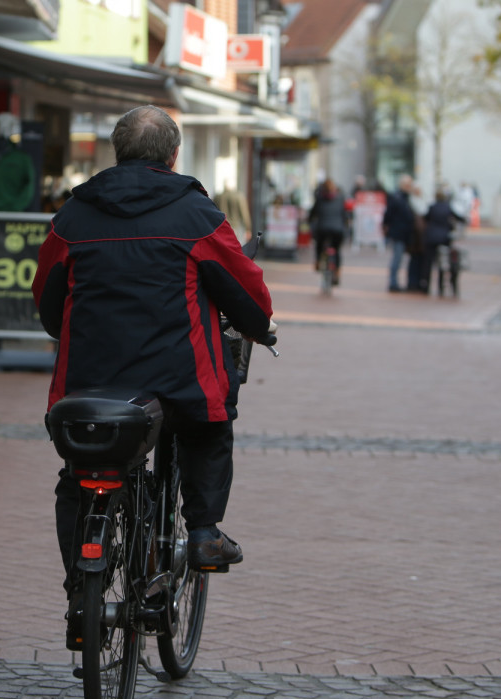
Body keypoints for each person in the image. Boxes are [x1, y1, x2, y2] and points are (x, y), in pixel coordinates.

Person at [31, 105, 276, 650]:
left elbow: (46, 297)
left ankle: (82, 595)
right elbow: (244, 287)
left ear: (116, 152)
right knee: (208, 423)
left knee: (78, 476)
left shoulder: (73, 216)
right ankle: (204, 532)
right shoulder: (196, 214)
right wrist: (260, 326)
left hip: (89, 386)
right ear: (173, 155)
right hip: (177, 381)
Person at [422, 189, 466, 293]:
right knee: (443, 262)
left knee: (428, 262)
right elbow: (458, 217)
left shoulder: (432, 207)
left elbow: (426, 218)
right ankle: (440, 286)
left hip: (431, 237)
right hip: (444, 238)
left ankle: (426, 285)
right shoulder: (448, 207)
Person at [309, 177, 348, 285]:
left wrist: (310, 221)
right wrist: (345, 225)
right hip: (338, 230)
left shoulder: (319, 198)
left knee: (319, 245)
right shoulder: (340, 197)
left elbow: (313, 213)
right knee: (337, 250)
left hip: (322, 228)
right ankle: (337, 272)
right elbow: (344, 215)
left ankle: (317, 261)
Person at [381, 174, 415, 292]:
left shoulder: (405, 198)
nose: (410, 187)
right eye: (408, 185)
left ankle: (395, 281)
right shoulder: (397, 197)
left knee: (399, 259)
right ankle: (393, 282)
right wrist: (386, 227)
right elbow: (388, 214)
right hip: (398, 233)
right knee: (397, 258)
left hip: (404, 233)